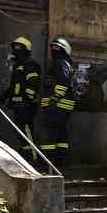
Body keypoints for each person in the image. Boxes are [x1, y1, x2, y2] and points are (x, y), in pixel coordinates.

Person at [0, 36, 42, 163]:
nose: (16, 49)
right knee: (19, 131)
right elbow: (14, 87)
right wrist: (3, 97)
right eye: (15, 47)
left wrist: (26, 99)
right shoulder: (18, 66)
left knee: (27, 132)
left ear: (26, 49)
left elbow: (33, 84)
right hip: (18, 105)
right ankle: (26, 153)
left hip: (26, 106)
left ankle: (34, 158)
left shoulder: (31, 64)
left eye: (19, 47)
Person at [38, 37, 76, 169]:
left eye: (57, 48)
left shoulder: (60, 63)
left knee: (49, 132)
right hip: (64, 105)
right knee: (61, 132)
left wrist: (54, 98)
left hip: (57, 104)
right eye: (52, 48)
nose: (54, 51)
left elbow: (63, 81)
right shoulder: (66, 63)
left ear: (64, 51)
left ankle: (47, 162)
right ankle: (60, 160)